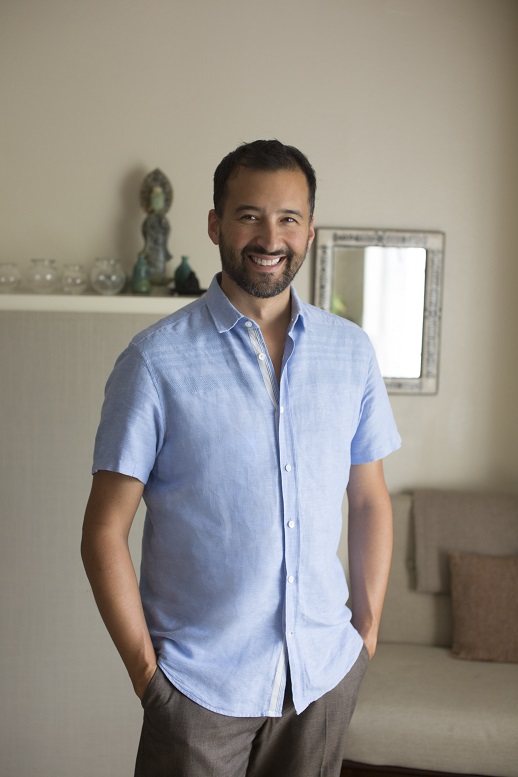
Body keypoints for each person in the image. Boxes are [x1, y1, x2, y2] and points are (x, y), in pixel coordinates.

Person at [81, 139, 401, 777]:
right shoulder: (154, 362)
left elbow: (368, 497)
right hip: (197, 692)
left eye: (288, 217)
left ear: (310, 228)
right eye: (249, 214)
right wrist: (151, 680)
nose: (270, 236)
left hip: (321, 679)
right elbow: (103, 531)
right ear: (215, 224)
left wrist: (363, 635)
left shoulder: (352, 354)